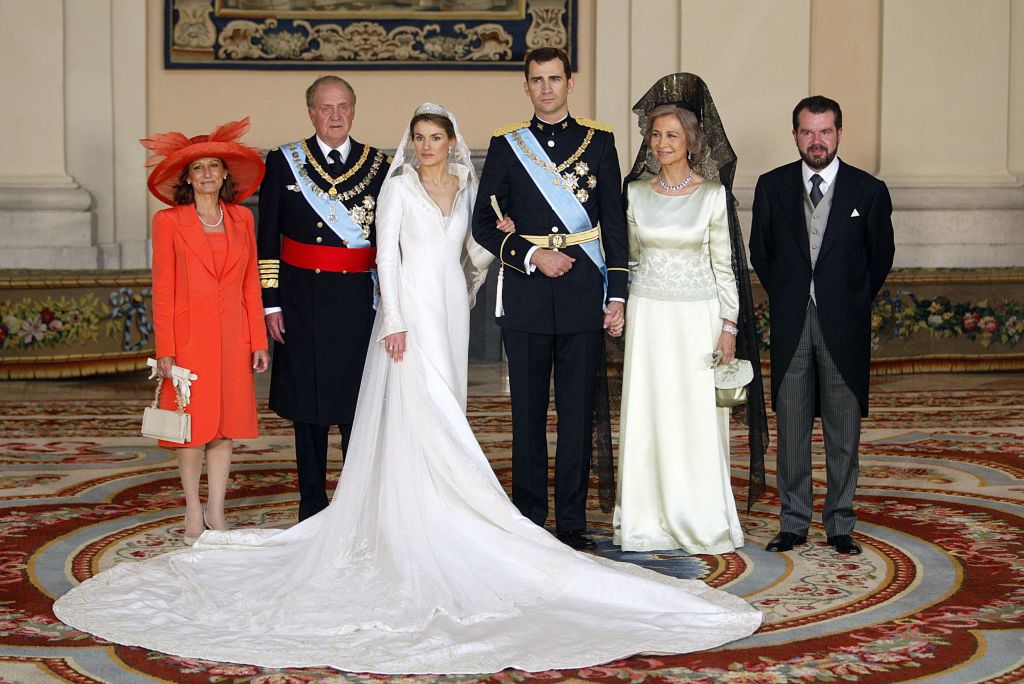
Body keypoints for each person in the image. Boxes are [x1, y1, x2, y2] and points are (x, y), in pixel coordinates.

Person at [53, 104, 761, 675]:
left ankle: (447, 497)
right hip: (407, 315)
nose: (426, 146)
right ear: (410, 142)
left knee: (446, 405)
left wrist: (504, 241)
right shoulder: (391, 187)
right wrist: (391, 319)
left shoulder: (466, 184)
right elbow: (383, 261)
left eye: (436, 137)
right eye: (418, 137)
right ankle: (413, 508)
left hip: (450, 304)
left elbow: (478, 244)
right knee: (414, 410)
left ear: (450, 142)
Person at [472, 47, 629, 550]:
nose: (546, 88)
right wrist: (532, 255)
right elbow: (481, 223)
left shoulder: (599, 142)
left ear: (570, 83)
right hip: (528, 294)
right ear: (525, 86)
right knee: (528, 417)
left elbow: (615, 224)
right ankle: (529, 519)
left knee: (578, 415)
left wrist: (618, 293)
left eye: (554, 79)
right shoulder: (506, 144)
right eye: (536, 80)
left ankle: (573, 522)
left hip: (584, 292)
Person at [614, 74, 768, 555]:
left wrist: (728, 329)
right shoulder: (635, 193)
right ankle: (645, 518)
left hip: (698, 320)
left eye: (672, 135)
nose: (662, 144)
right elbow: (633, 259)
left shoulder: (713, 195)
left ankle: (701, 517)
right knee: (648, 414)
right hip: (649, 318)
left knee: (695, 418)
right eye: (656, 135)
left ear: (692, 141)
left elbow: (726, 267)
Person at [749, 95, 895, 555]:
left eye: (825, 131)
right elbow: (762, 253)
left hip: (843, 328)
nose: (817, 141)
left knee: (842, 428)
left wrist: (848, 300)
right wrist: (792, 296)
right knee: (791, 426)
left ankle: (840, 524)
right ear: (795, 135)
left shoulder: (868, 191)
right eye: (808, 132)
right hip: (792, 324)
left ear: (838, 133)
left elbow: (880, 257)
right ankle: (792, 522)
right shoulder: (771, 187)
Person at [257, 75, 390, 521]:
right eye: (325, 107)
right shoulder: (284, 162)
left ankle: (353, 506)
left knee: (357, 407)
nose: (335, 116)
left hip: (357, 305)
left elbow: (389, 242)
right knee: (308, 411)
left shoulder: (378, 166)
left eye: (343, 107)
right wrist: (270, 303)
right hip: (302, 303)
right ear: (311, 112)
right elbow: (268, 238)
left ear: (354, 110)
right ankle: (311, 507)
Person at [141, 117, 270, 543]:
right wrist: (167, 349)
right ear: (188, 178)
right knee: (191, 427)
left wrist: (257, 339)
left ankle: (216, 509)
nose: (208, 174)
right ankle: (192, 510)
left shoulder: (240, 221)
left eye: (214, 165)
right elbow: (163, 289)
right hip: (189, 338)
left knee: (226, 424)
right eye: (199, 168)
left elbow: (251, 283)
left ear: (225, 173)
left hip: (233, 337)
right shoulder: (169, 222)